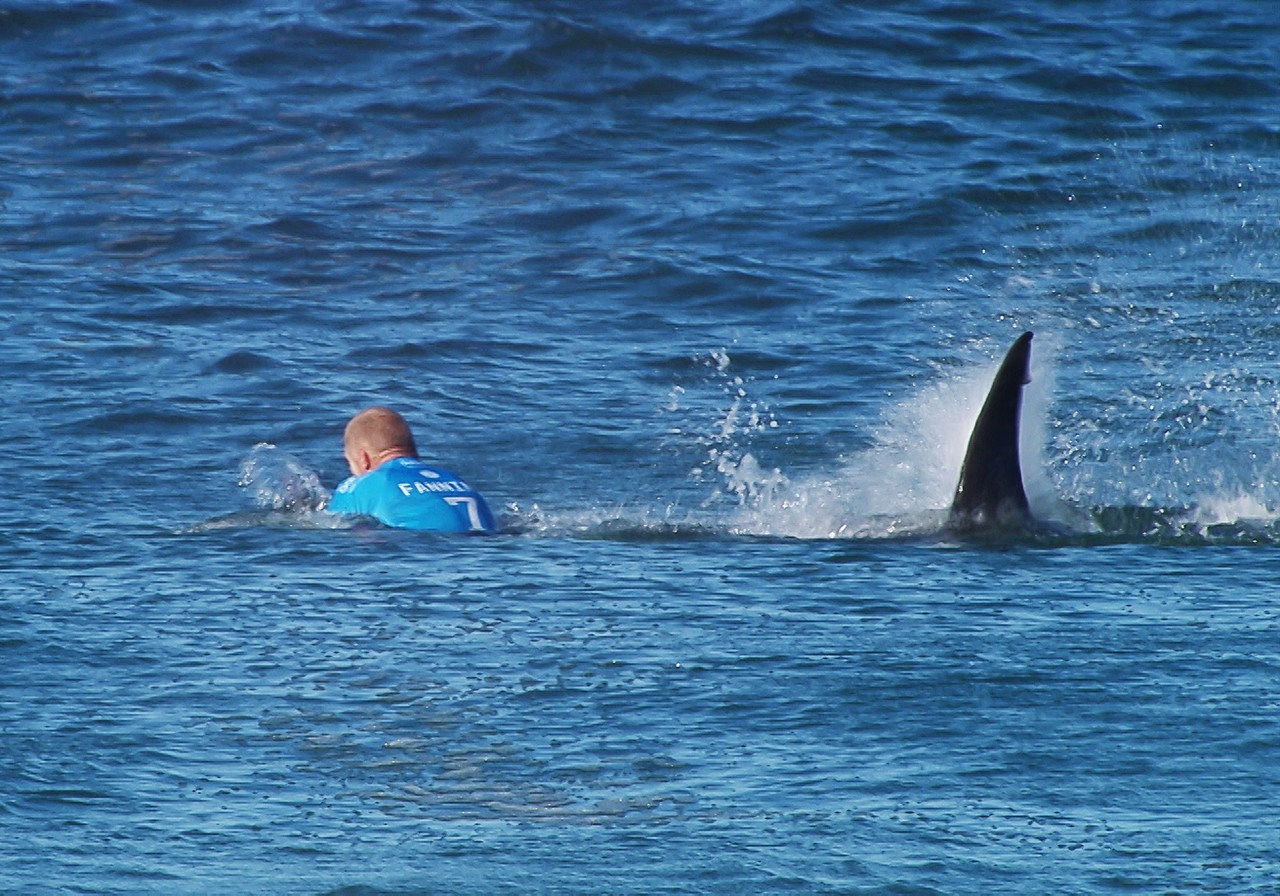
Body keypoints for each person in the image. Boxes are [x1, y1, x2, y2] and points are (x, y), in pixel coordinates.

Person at [327, 406, 497, 533]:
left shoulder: (367, 483)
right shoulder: (453, 479)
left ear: (363, 459)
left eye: (350, 462)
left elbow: (332, 525)